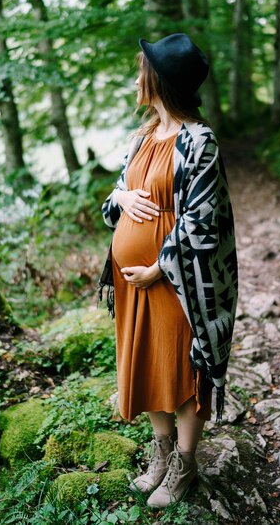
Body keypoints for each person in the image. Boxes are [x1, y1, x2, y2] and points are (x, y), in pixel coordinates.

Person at [100, 33, 238, 509]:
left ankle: (185, 463)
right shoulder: (141, 137)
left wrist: (159, 267)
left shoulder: (199, 141)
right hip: (131, 279)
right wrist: (120, 198)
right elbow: (115, 195)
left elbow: (203, 220)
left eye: (145, 69)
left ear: (160, 81)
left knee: (181, 367)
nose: (139, 75)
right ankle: (160, 456)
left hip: (177, 281)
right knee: (148, 364)